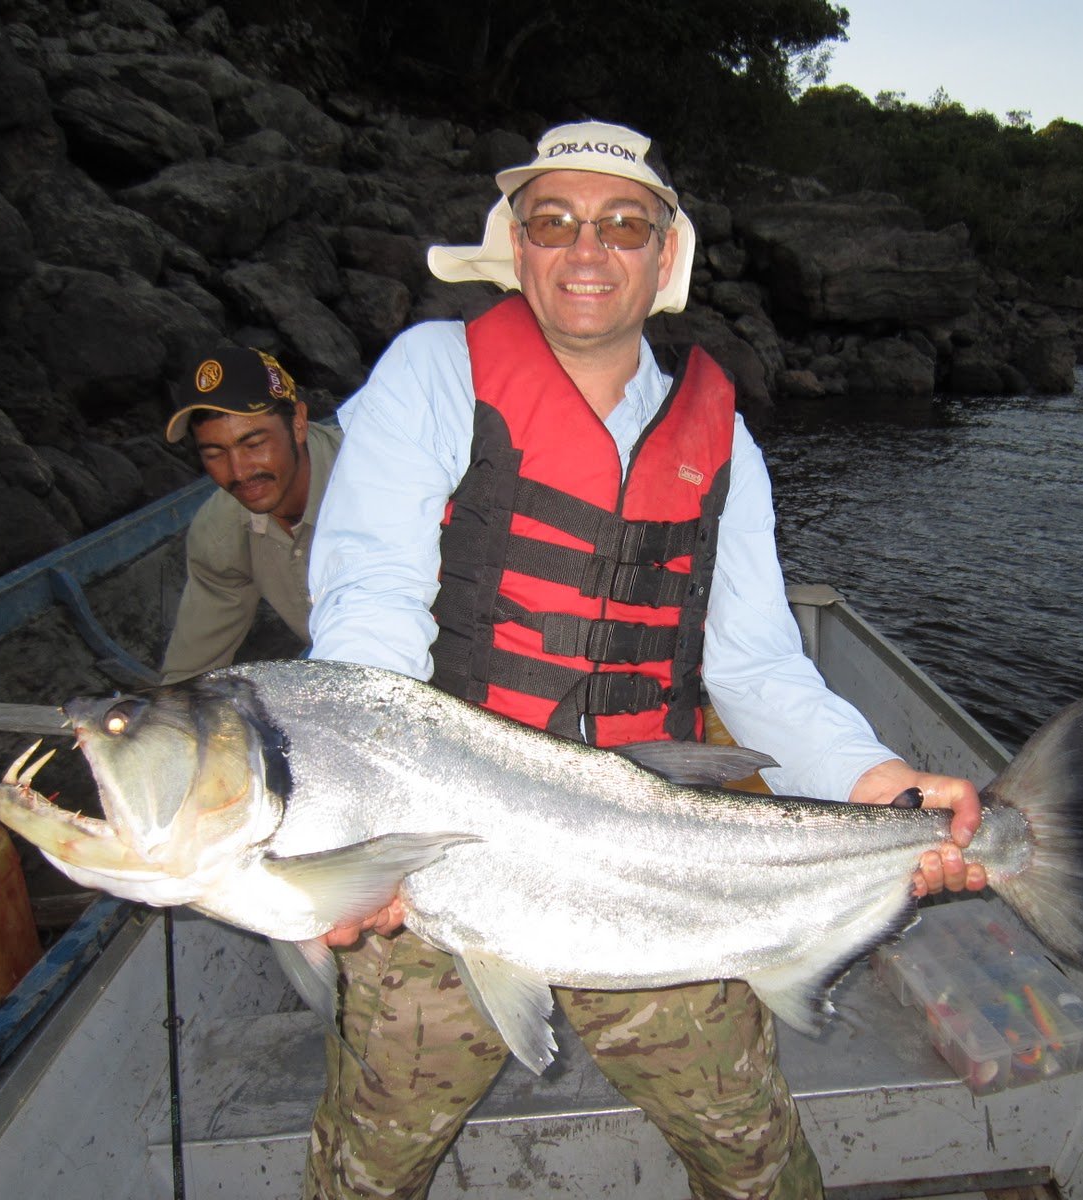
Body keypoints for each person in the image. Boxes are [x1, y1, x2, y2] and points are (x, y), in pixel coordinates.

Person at [303, 120, 987, 1199]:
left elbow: (758, 670)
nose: (587, 251)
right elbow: (368, 609)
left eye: (623, 225)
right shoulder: (431, 373)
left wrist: (880, 785)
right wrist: (361, 832)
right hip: (437, 862)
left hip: (659, 861)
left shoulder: (721, 440)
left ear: (663, 256)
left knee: (758, 1169)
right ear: (514, 246)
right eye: (554, 223)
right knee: (365, 1177)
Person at [159, 347, 342, 683]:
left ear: (299, 423)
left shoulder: (376, 484)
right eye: (215, 454)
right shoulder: (218, 533)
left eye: (254, 444)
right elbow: (189, 675)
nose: (239, 472)